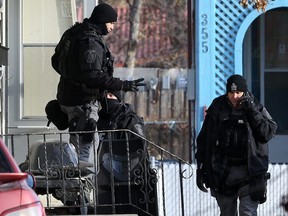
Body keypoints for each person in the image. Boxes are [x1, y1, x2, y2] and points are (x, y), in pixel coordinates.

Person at [51, 3, 145, 167]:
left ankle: (77, 183)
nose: (112, 27)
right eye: (111, 23)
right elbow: (93, 76)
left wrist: (72, 77)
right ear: (102, 20)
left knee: (80, 147)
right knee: (86, 152)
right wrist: (123, 85)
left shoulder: (73, 33)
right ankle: (81, 187)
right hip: (82, 103)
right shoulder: (90, 42)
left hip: (66, 97)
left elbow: (55, 61)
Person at [195, 74, 277, 216]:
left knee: (248, 212)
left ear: (244, 92)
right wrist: (201, 168)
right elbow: (204, 139)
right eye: (231, 93)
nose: (235, 96)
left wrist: (251, 110)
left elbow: (267, 132)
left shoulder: (254, 105)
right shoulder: (218, 107)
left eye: (238, 93)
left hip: (250, 172)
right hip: (223, 172)